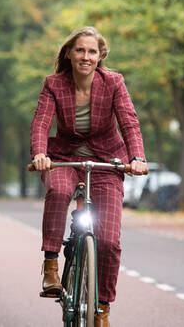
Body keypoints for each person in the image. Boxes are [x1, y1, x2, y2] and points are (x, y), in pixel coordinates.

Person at [30, 26, 147, 326]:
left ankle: (103, 308)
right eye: (80, 50)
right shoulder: (54, 84)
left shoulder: (114, 83)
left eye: (92, 51)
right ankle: (51, 265)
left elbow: (129, 122)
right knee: (57, 192)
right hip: (65, 159)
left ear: (101, 56)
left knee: (108, 240)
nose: (86, 56)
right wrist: (40, 154)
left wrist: (137, 157)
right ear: (69, 53)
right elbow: (42, 122)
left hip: (107, 160)